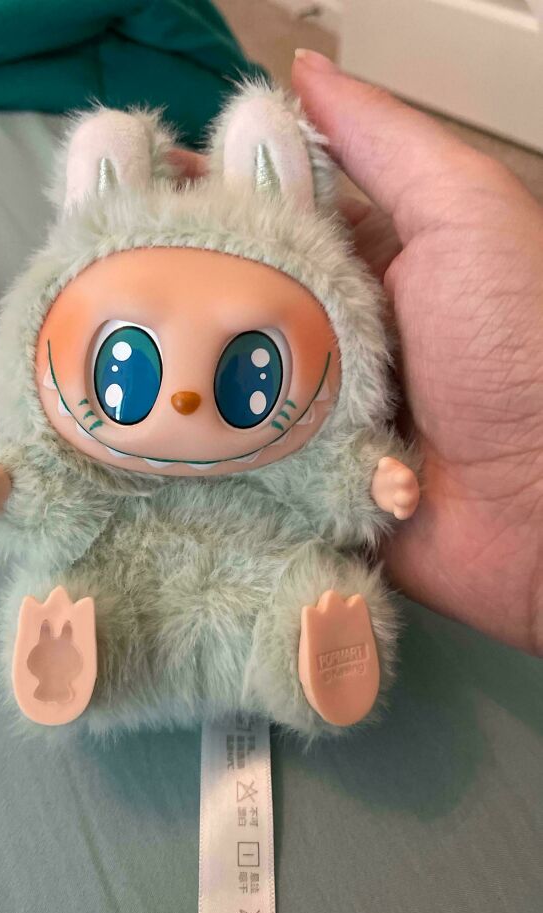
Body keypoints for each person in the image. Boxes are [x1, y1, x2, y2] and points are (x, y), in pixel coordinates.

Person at [174, 50, 542, 655]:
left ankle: (313, 657)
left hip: (294, 543)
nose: (184, 399)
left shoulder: (325, 373)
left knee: (311, 590)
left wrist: (375, 478)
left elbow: (333, 468)